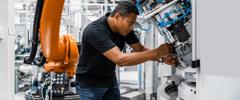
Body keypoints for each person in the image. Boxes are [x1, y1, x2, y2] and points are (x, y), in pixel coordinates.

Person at [75, 1, 177, 100]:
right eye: (130, 23)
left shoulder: (124, 29)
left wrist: (162, 58)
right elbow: (120, 60)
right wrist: (157, 52)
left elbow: (140, 49)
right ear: (117, 17)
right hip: (90, 85)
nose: (131, 28)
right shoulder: (95, 31)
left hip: (109, 81)